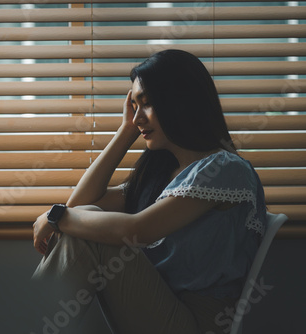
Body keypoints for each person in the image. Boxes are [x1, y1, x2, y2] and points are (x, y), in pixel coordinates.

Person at [31, 49, 266, 334]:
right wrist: (125, 132)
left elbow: (137, 230)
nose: (138, 117)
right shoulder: (162, 173)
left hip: (196, 323)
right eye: (134, 105)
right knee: (87, 223)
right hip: (159, 305)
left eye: (147, 104)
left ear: (180, 102)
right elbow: (80, 204)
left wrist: (56, 216)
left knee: (92, 229)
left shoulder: (225, 168)